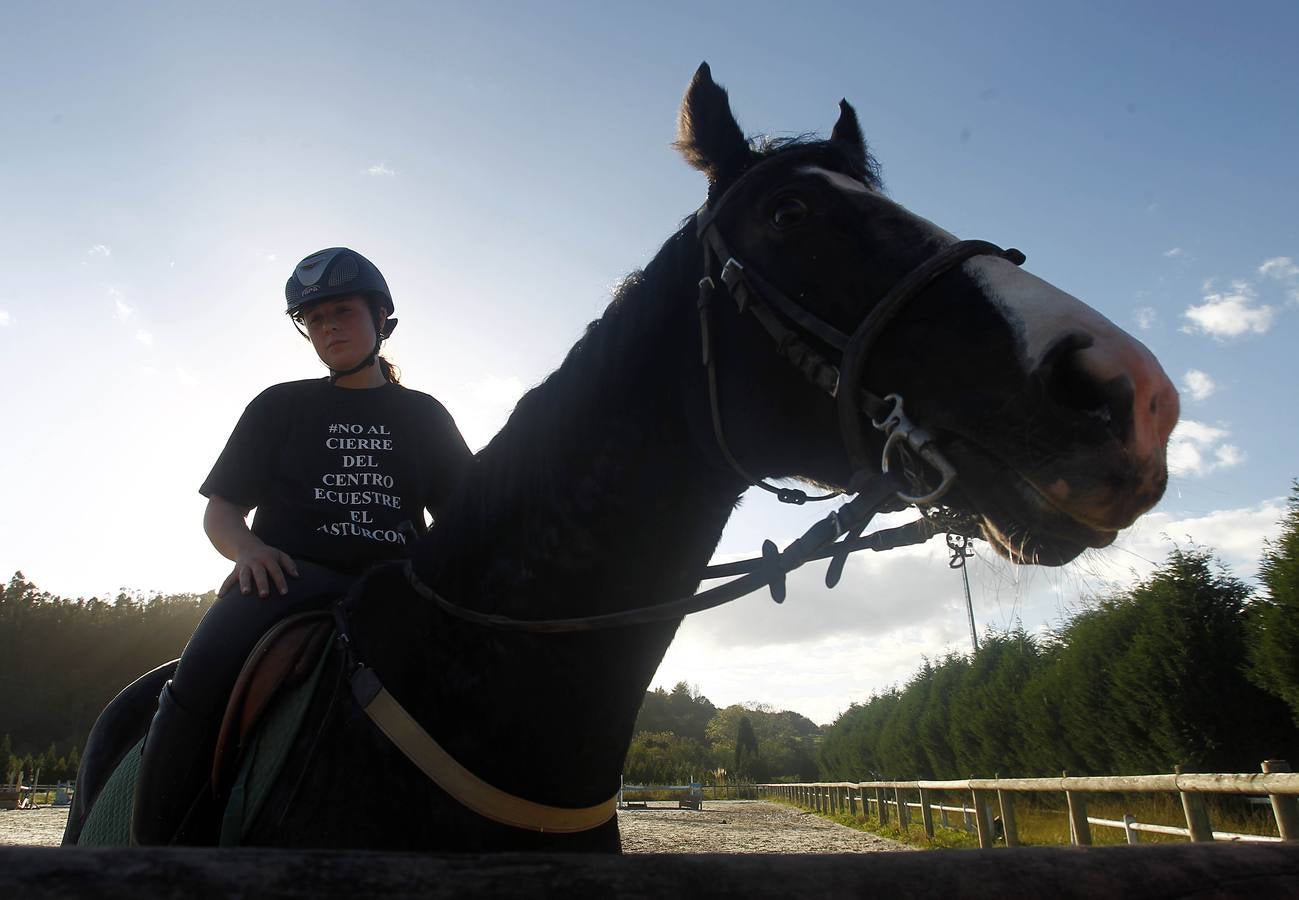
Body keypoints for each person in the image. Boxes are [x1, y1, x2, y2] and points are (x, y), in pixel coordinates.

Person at [132, 247, 472, 845]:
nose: (328, 327)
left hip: (399, 590)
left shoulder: (423, 415)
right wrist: (248, 553)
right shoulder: (280, 405)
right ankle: (155, 854)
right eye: (314, 319)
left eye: (342, 311)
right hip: (284, 582)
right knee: (196, 680)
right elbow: (223, 511)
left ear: (381, 319)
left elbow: (466, 522)